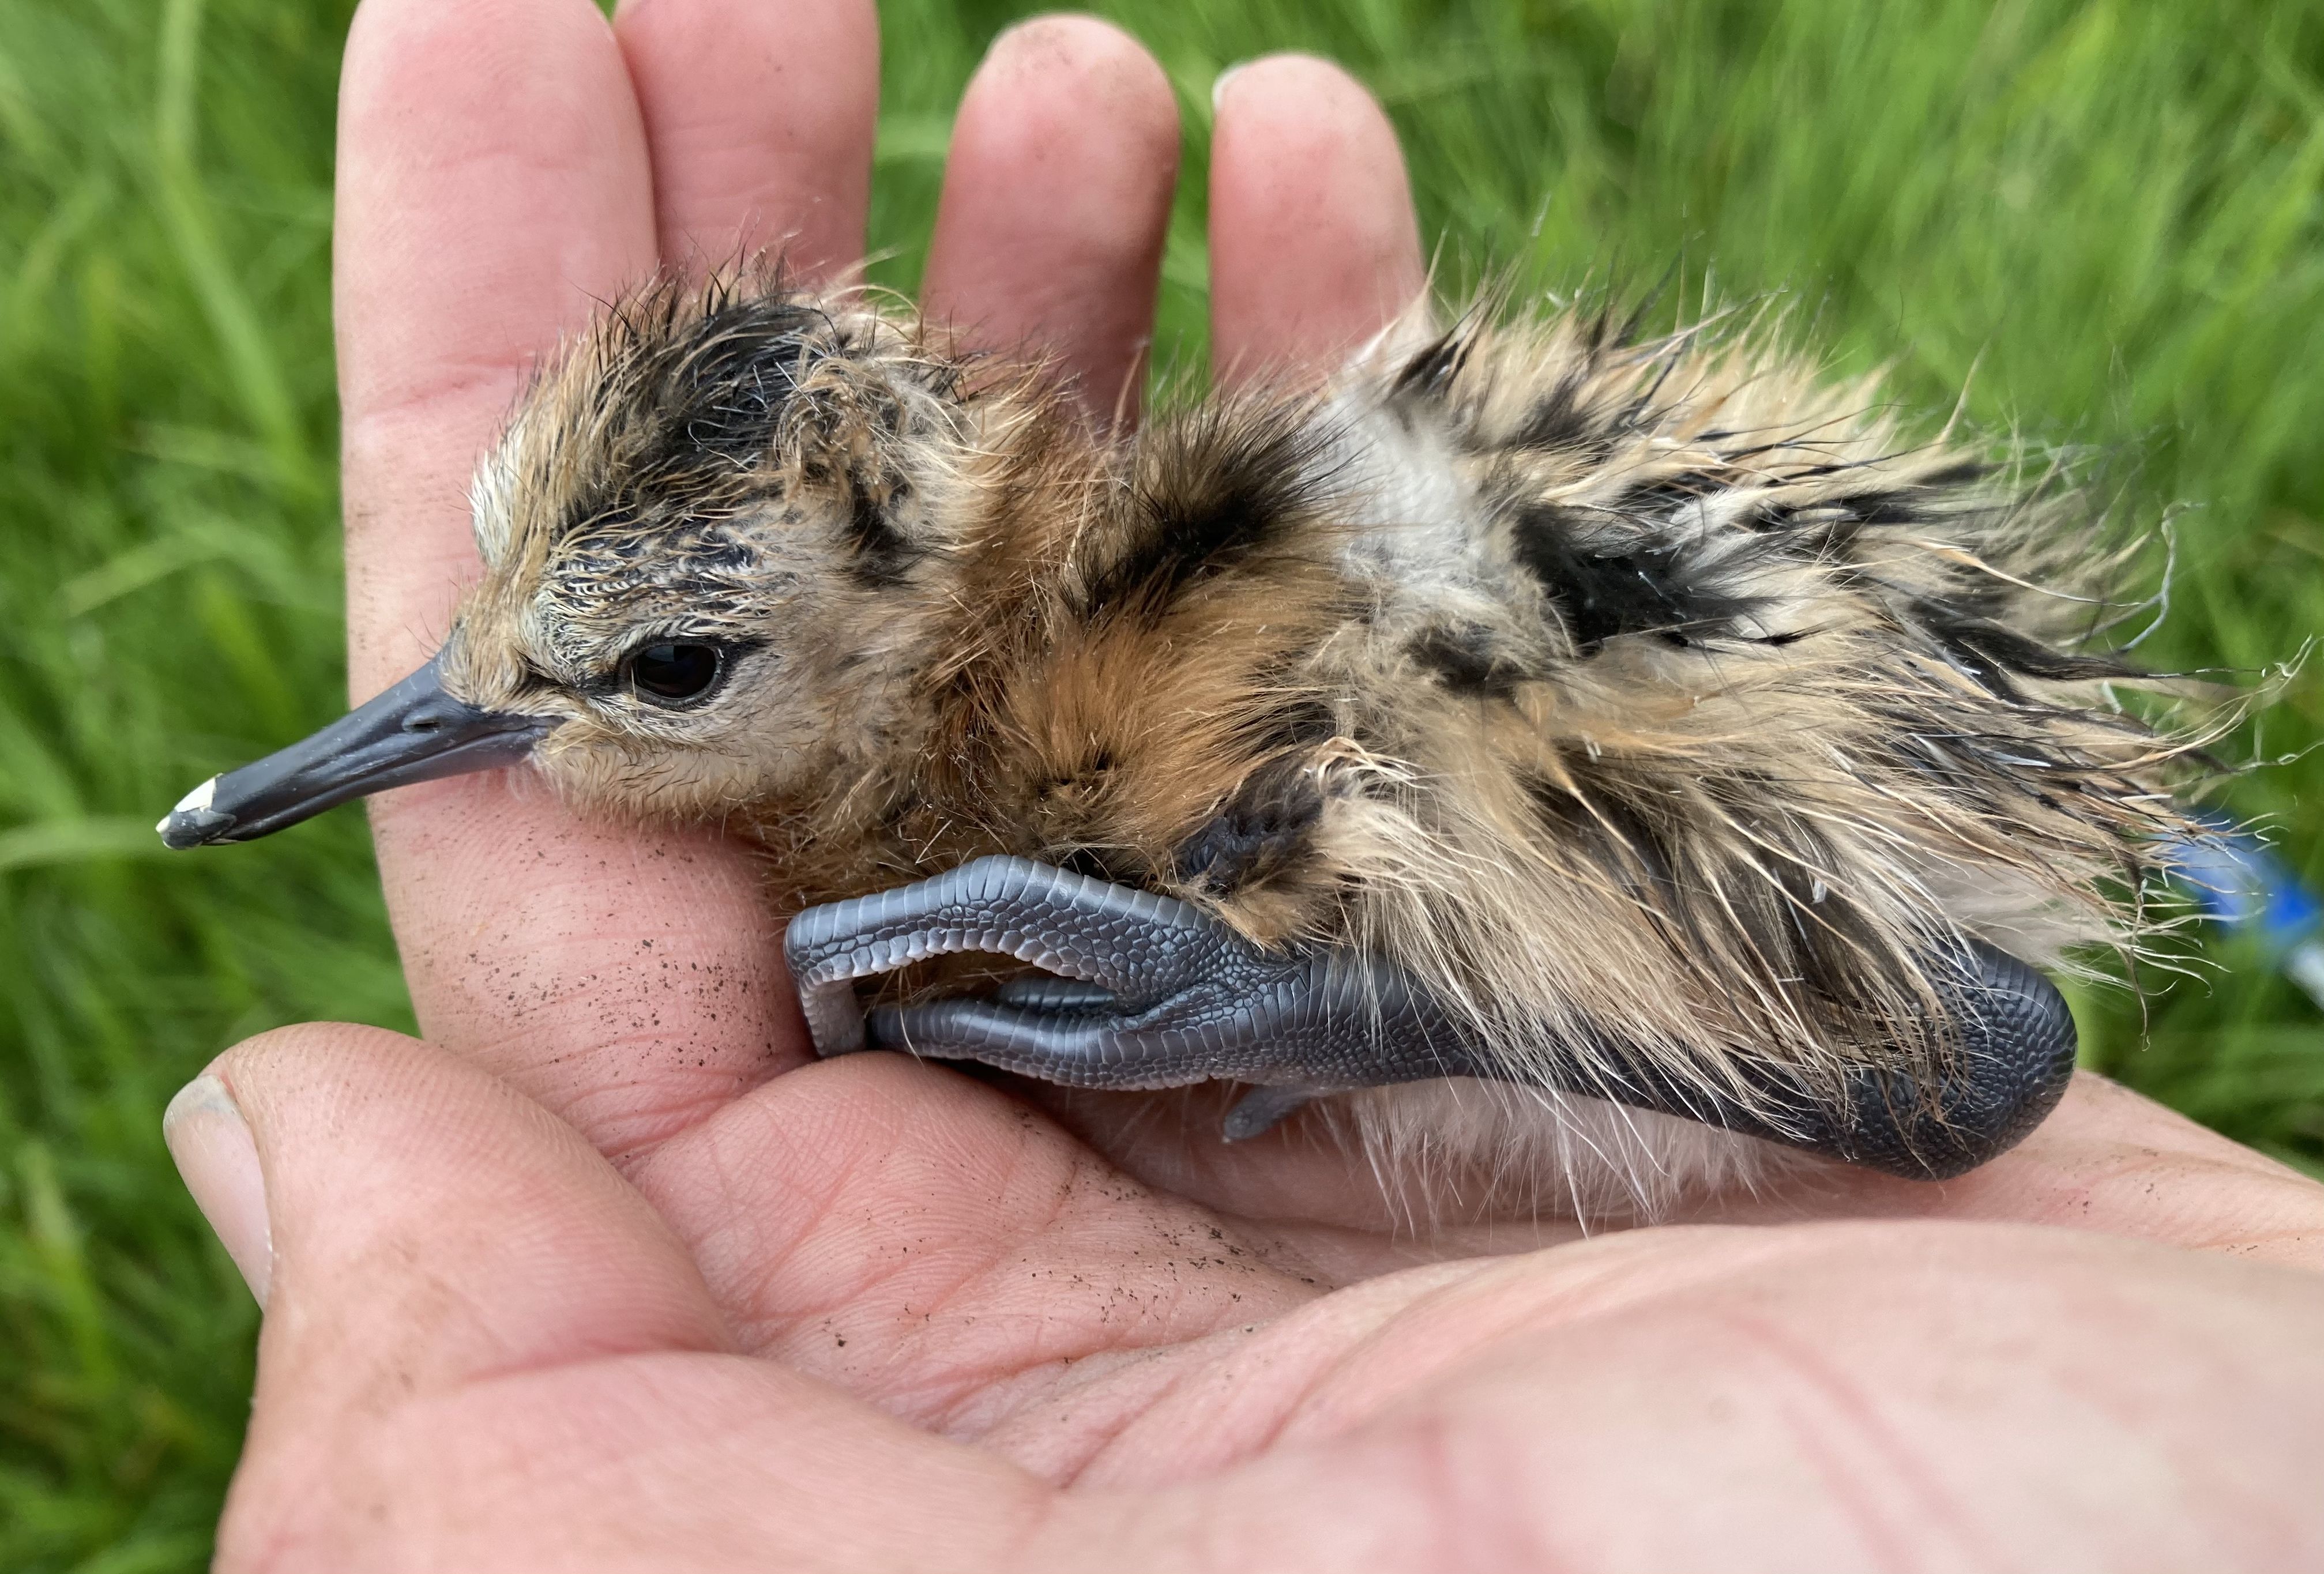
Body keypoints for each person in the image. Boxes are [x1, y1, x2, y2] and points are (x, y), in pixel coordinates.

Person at [159, 2, 2324, 1567]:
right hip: (1728, 620)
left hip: (1815, 805)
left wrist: (1295, 995)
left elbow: (1985, 1049)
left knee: (1472, 839)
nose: (437, 708)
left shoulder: (1116, 750)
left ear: (877, 648)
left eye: (667, 670)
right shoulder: (1142, 591)